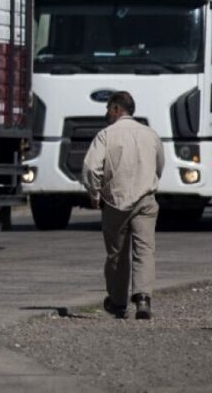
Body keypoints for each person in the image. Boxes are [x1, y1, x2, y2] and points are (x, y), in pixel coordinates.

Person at [82, 90, 164, 320]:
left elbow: (91, 168)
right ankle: (143, 298)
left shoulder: (106, 135)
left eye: (108, 108)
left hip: (116, 201)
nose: (107, 113)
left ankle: (118, 302)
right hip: (146, 199)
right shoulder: (151, 134)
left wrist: (94, 193)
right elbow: (159, 165)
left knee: (117, 253)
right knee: (145, 250)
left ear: (117, 109)